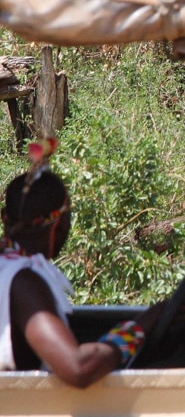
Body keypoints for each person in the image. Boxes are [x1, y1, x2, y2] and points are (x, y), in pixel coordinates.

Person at [0, 139, 161, 387]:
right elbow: (78, 368)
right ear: (60, 225)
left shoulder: (10, 268)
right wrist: (140, 327)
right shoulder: (23, 281)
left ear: (5, 219)